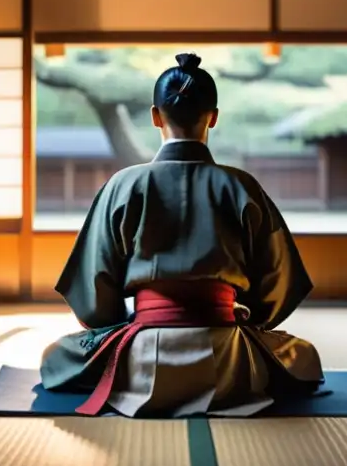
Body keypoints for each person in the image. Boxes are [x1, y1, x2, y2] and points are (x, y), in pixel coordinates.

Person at [40, 52, 324, 417]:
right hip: (230, 356)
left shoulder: (123, 185)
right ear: (214, 117)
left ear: (155, 115)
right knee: (304, 355)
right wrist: (247, 318)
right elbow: (278, 283)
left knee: (55, 356)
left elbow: (94, 288)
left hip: (142, 353)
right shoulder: (241, 186)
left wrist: (124, 322)